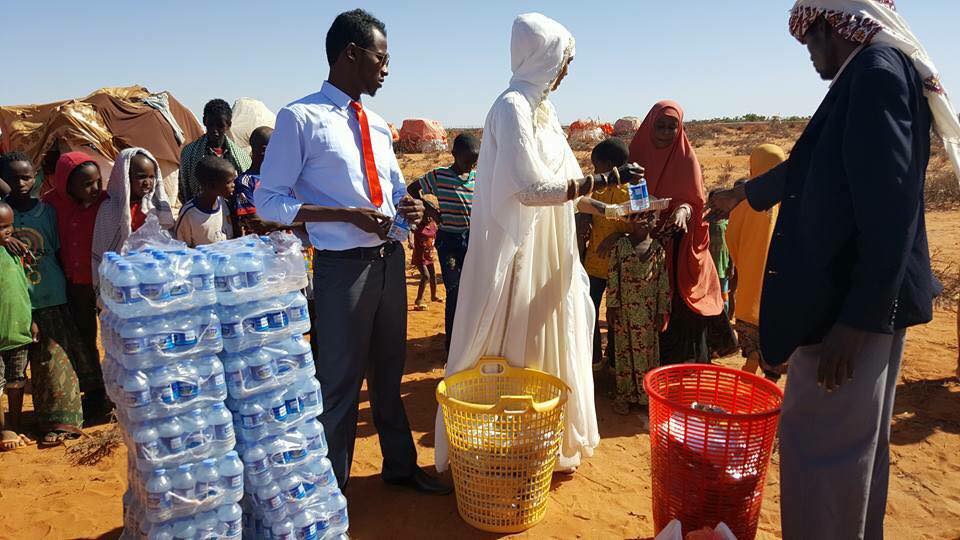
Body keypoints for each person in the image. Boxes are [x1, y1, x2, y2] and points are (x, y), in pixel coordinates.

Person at [706, 1, 960, 537]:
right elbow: (813, 164)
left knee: (824, 454)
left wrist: (858, 321)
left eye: (808, 42)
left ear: (830, 24)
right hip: (854, 300)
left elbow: (890, 211)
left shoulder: (874, 75)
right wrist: (742, 195)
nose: (809, 56)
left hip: (848, 309)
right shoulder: (869, 74)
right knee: (850, 456)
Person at [435, 13, 644, 474]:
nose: (566, 69)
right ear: (541, 56)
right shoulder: (511, 107)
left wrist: (610, 206)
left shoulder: (543, 113)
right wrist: (607, 176)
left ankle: (541, 442)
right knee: (514, 338)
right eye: (563, 59)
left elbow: (567, 187)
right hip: (519, 252)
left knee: (551, 333)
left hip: (552, 250)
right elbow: (529, 190)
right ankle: (503, 449)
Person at [256, 9, 447, 494]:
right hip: (343, 270)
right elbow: (269, 201)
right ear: (350, 54)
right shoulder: (301, 118)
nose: (387, 67)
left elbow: (393, 191)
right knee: (339, 384)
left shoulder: (379, 125)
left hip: (388, 264)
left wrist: (412, 207)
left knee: (388, 375)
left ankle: (400, 467)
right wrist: (343, 215)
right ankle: (329, 492)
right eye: (381, 58)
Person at [629, 101, 728, 365]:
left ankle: (684, 371)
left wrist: (683, 210)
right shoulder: (637, 154)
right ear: (650, 125)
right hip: (643, 239)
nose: (664, 132)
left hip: (679, 243)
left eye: (671, 127)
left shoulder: (686, 158)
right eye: (660, 126)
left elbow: (694, 201)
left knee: (681, 307)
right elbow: (629, 195)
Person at [3, 152, 85, 445]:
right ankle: (16, 422)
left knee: (53, 359)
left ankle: (60, 421)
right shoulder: (2, 216)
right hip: (13, 301)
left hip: (50, 293)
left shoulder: (47, 211)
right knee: (16, 365)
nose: (22, 183)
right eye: (13, 178)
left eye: (27, 176)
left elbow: (60, 250)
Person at [42, 151, 107, 416]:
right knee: (84, 337)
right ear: (67, 185)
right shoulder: (50, 205)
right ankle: (94, 392)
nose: (94, 189)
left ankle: (115, 387)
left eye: (97, 182)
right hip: (75, 284)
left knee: (112, 335)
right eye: (86, 184)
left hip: (104, 283)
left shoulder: (106, 202)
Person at [408, 133, 479, 350]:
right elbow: (412, 189)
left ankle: (469, 341)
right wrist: (429, 209)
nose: (470, 165)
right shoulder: (440, 176)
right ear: (454, 154)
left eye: (474, 161)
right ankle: (452, 345)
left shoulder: (478, 178)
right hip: (449, 240)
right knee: (454, 290)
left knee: (473, 291)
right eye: (466, 160)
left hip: (473, 240)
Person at [726, 145, 787, 381]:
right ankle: (771, 375)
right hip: (781, 284)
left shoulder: (744, 200)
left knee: (751, 325)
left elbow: (732, 238)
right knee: (776, 332)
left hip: (750, 282)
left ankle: (752, 357)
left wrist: (743, 263)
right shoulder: (792, 199)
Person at [603, 213, 669, 414]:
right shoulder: (621, 246)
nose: (644, 222)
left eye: (649, 218)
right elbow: (613, 275)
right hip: (625, 311)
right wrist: (611, 306)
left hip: (648, 315)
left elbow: (662, 282)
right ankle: (625, 395)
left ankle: (645, 397)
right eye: (639, 217)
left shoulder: (658, 249)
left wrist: (661, 311)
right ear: (631, 220)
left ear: (655, 222)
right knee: (624, 353)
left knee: (647, 354)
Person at [580, 138, 631, 370]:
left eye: (596, 166)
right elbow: (585, 214)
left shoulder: (635, 189)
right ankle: (593, 360)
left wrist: (618, 237)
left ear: (610, 167)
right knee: (589, 310)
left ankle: (614, 359)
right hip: (594, 263)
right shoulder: (596, 189)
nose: (594, 172)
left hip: (621, 265)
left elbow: (644, 225)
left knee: (617, 314)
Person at [92, 148, 176, 284]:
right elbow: (106, 249)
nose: (148, 182)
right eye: (141, 176)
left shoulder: (156, 208)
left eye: (151, 177)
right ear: (124, 177)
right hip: (124, 279)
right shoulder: (110, 210)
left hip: (155, 275)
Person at [0, 201, 34, 451]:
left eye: (9, 226)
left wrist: (31, 320)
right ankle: (3, 429)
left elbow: (24, 286)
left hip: (18, 327)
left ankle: (15, 422)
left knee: (16, 380)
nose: (7, 232)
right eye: (1, 228)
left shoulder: (15, 251)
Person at [178, 99, 251, 204]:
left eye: (220, 126)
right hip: (200, 211)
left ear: (228, 125)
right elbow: (184, 189)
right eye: (210, 125)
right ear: (204, 121)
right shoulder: (189, 153)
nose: (214, 130)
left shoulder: (241, 157)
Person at [174, 156, 236, 247]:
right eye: (229, 182)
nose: (233, 185)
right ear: (212, 185)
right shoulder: (190, 214)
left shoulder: (223, 204)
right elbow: (181, 246)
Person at [229, 126, 279, 237]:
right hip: (264, 248)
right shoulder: (245, 182)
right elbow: (257, 223)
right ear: (264, 150)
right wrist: (293, 222)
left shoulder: (281, 178)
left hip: (290, 246)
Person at [410, 213, 440, 311]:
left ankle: (434, 296)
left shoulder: (433, 224)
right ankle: (418, 301)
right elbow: (410, 230)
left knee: (433, 275)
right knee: (426, 276)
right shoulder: (418, 226)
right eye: (426, 216)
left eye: (429, 216)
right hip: (420, 256)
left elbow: (436, 235)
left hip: (429, 255)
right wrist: (410, 242)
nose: (428, 218)